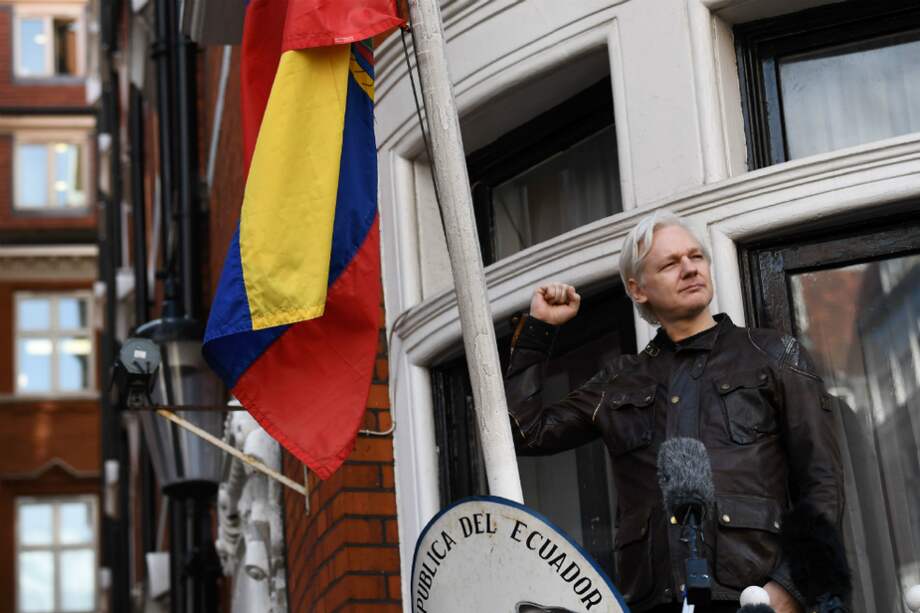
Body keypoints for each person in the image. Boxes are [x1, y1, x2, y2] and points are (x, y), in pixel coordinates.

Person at [503, 210, 845, 613]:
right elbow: (523, 432)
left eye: (696, 257)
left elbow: (822, 483)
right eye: (670, 263)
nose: (689, 268)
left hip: (754, 599)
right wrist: (539, 330)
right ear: (638, 289)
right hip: (656, 603)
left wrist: (789, 590)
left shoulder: (772, 354)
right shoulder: (619, 380)